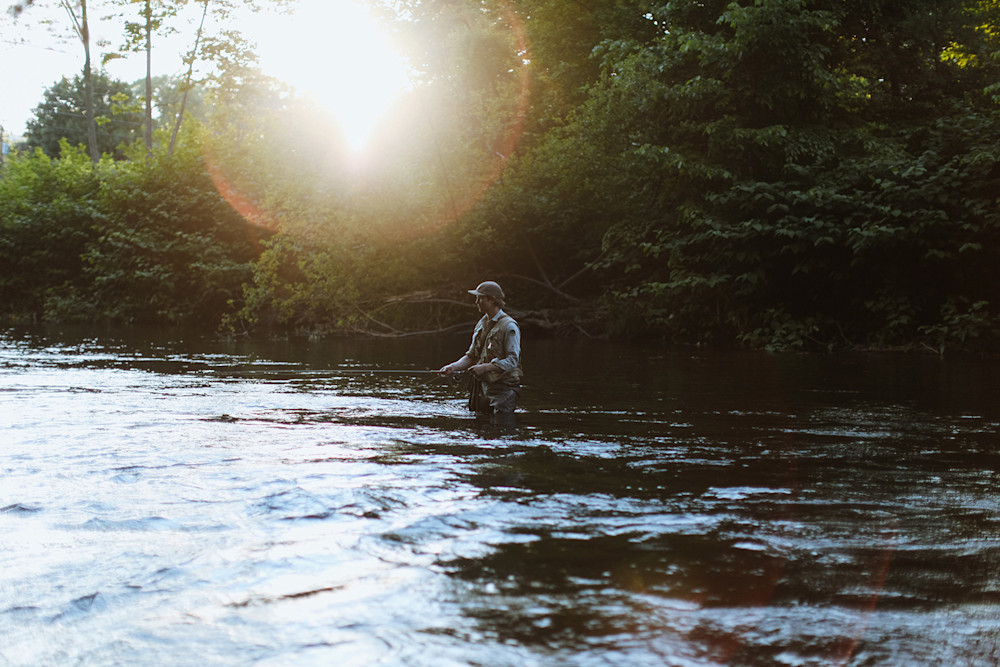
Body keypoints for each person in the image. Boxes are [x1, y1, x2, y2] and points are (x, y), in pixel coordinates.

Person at [439, 280, 523, 415]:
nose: (476, 302)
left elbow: (513, 361)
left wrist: (485, 367)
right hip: (482, 389)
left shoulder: (509, 326)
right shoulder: (481, 323)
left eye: (480, 298)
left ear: (492, 300)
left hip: (504, 390)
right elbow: (471, 356)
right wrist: (452, 367)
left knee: (500, 430)